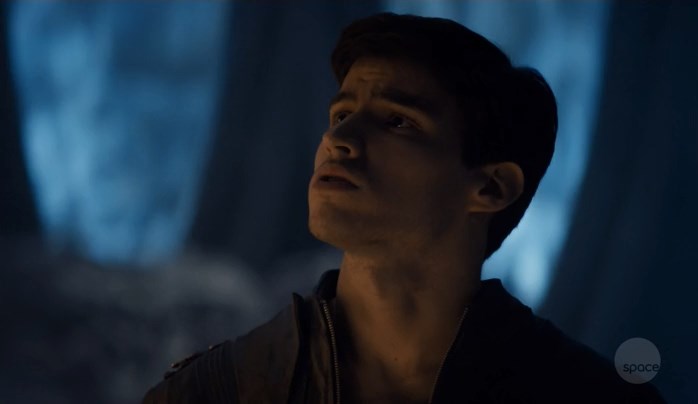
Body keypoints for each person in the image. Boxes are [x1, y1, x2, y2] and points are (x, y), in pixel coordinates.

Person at [143, 12, 666, 404]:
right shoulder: (214, 394)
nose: (340, 140)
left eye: (398, 122)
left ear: (491, 187)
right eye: (340, 115)